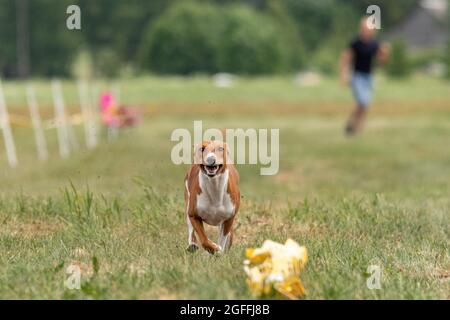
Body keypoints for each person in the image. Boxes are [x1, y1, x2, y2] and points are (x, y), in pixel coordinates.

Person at [340, 17, 390, 135]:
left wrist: (385, 53)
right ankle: (354, 125)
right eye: (366, 28)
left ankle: (355, 126)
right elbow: (345, 58)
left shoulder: (374, 44)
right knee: (363, 101)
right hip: (357, 76)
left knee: (364, 104)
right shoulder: (355, 43)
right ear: (362, 29)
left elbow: (382, 61)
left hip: (368, 77)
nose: (368, 30)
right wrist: (343, 74)